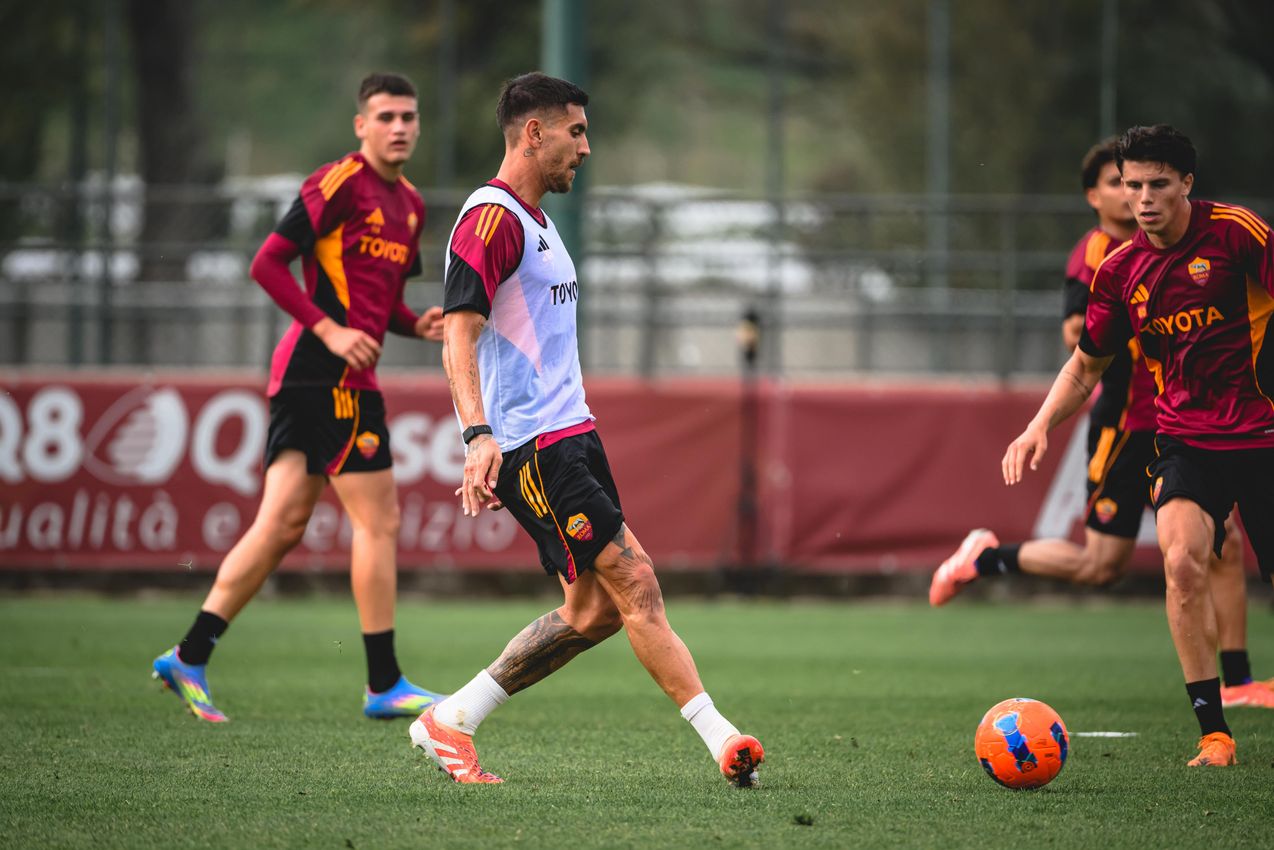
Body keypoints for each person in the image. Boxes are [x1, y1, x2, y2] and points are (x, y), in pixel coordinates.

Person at [408, 72, 764, 786]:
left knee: (595, 611)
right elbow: (460, 333)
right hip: (535, 448)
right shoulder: (492, 217)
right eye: (575, 131)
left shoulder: (535, 220)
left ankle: (451, 720)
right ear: (533, 133)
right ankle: (724, 740)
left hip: (572, 435)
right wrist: (478, 436)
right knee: (637, 583)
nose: (587, 147)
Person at [929, 140, 1274, 710]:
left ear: (1184, 183)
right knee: (1103, 565)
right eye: (1123, 184)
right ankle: (985, 559)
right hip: (1133, 424)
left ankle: (1237, 683)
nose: (1136, 196)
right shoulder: (1103, 259)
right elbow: (1080, 346)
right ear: (1097, 194)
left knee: (1221, 545)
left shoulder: (1225, 235)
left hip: (1213, 426)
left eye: (1149, 183)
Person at [152, 72, 446, 722]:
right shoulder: (338, 182)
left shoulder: (412, 205)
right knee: (380, 522)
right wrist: (331, 331)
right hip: (323, 375)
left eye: (409, 116)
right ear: (360, 125)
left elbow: (381, 301)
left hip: (326, 377)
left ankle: (189, 654)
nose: (399, 127)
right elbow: (266, 262)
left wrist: (414, 323)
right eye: (386, 116)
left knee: (281, 524)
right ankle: (383, 683)